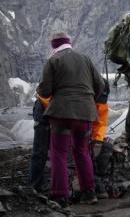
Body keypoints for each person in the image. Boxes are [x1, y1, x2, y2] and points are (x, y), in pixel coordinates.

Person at [37, 31, 104, 208]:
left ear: (54, 46)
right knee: (82, 151)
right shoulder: (85, 58)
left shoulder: (53, 60)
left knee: (58, 153)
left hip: (62, 113)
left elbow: (44, 91)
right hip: (85, 113)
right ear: (69, 43)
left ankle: (60, 196)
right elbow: (100, 85)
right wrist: (87, 99)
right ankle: (89, 192)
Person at [28, 95, 50, 193]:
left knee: (40, 152)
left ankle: (35, 184)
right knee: (40, 152)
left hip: (47, 107)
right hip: (46, 109)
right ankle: (34, 185)